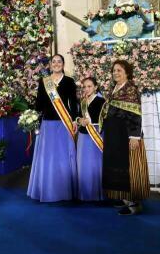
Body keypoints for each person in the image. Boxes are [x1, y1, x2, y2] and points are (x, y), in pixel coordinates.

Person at [27, 54, 79, 202]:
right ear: (50, 65)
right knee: (47, 157)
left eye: (59, 61)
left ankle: (64, 190)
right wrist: (32, 116)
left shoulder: (69, 81)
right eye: (54, 61)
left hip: (63, 123)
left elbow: (73, 103)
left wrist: (75, 119)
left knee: (63, 157)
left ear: (63, 64)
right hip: (48, 124)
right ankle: (47, 188)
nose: (56, 64)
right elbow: (39, 104)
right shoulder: (44, 82)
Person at [101, 60, 150, 215]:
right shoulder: (114, 88)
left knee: (130, 168)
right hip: (114, 134)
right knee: (117, 165)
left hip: (126, 134)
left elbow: (135, 114)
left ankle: (134, 204)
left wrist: (135, 136)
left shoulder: (131, 89)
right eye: (114, 70)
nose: (115, 73)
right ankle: (122, 197)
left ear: (127, 72)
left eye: (119, 70)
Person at [75, 77, 106, 201]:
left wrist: (91, 121)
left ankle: (97, 195)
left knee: (95, 165)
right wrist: (79, 120)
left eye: (89, 86)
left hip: (95, 136)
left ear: (95, 87)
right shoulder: (82, 102)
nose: (86, 89)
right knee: (83, 165)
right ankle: (84, 194)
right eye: (85, 87)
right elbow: (77, 116)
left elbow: (104, 120)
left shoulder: (101, 101)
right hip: (83, 137)